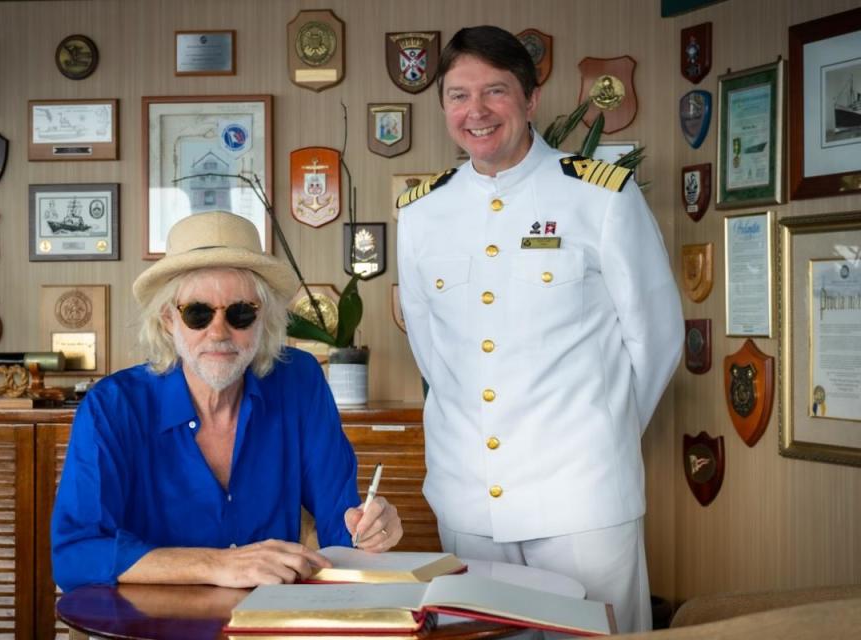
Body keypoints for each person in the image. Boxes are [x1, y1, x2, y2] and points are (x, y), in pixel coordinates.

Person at [396, 26, 683, 633]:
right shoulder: (422, 213)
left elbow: (656, 338)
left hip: (582, 497)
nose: (476, 111)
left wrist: (599, 435)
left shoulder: (600, 196)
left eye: (495, 92)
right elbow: (432, 352)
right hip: (468, 497)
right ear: (444, 106)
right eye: (458, 95)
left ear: (530, 101)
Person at [52, 211, 403, 592]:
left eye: (239, 313)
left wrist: (369, 531)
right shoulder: (112, 407)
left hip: (269, 625)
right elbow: (76, 553)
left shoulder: (299, 382)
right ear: (169, 319)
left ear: (263, 317)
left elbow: (339, 526)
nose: (219, 332)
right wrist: (216, 565)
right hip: (152, 627)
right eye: (198, 314)